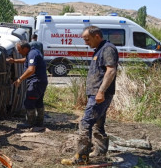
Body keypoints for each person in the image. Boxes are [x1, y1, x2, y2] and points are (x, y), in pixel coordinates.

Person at [61, 26, 119, 165]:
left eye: (87, 39)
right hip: (96, 94)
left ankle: (81, 157)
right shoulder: (99, 49)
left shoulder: (108, 49)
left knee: (85, 123)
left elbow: (111, 71)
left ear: (97, 36)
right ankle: (100, 151)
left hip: (99, 94)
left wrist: (101, 91)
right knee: (98, 124)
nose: (85, 42)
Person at [7, 40, 48, 128]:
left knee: (29, 102)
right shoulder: (32, 52)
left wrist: (19, 79)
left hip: (36, 82)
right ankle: (39, 122)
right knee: (38, 102)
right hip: (41, 82)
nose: (18, 52)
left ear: (25, 48)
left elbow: (31, 69)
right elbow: (26, 60)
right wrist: (14, 61)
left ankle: (30, 123)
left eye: (19, 50)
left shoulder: (32, 54)